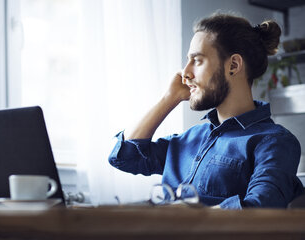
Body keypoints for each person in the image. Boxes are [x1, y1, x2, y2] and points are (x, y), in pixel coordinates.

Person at [108, 13, 304, 209]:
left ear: (234, 66)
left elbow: (261, 207)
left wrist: (189, 217)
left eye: (197, 60)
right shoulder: (189, 139)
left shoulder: (274, 142)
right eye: (187, 61)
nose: (185, 73)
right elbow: (124, 157)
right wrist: (169, 98)